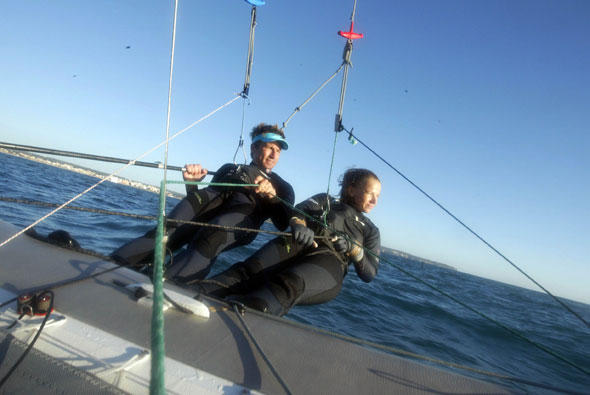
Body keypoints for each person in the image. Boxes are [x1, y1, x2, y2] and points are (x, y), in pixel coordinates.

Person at [111, 123, 294, 284]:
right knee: (170, 227)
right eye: (270, 148)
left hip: (240, 221)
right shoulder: (230, 169)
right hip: (213, 210)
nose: (273, 154)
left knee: (212, 235)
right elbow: (207, 207)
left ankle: (166, 284)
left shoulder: (282, 187)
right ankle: (114, 264)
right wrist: (192, 185)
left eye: (278, 151)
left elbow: (283, 223)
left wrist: (273, 197)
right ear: (254, 148)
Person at [199, 168, 381, 316]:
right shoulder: (326, 200)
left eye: (378, 196)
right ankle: (192, 292)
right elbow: (299, 210)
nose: (374, 200)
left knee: (289, 284)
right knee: (247, 271)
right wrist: (299, 225)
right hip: (301, 241)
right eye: (369, 193)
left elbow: (369, 273)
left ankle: (242, 312)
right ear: (351, 189)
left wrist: (355, 250)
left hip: (330, 261)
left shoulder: (371, 230)